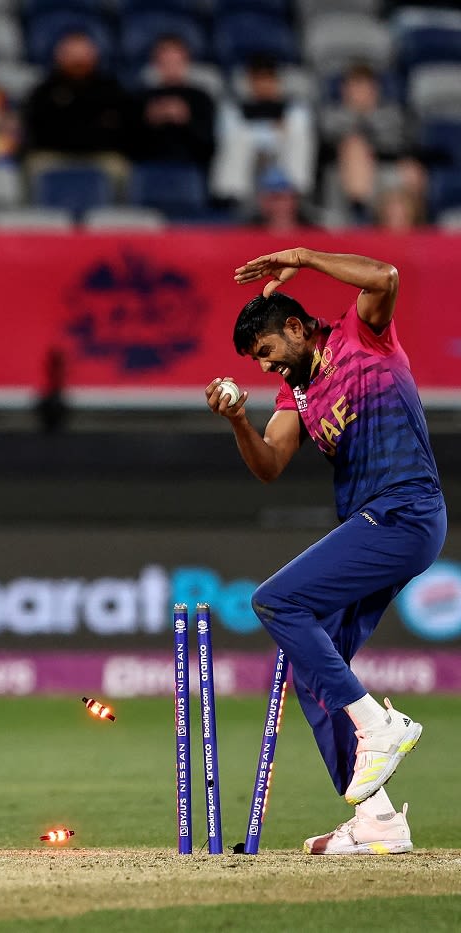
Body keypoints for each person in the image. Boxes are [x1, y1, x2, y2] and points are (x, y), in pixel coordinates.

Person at [206, 248, 446, 855]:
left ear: (294, 327)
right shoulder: (297, 393)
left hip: (405, 509)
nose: (264, 367)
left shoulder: (361, 333)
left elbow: (388, 275)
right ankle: (378, 823)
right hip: (373, 524)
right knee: (314, 674)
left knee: (276, 601)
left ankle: (377, 724)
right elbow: (269, 466)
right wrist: (238, 420)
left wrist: (303, 257)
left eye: (265, 351)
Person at [23, 30, 130, 187]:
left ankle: (118, 212)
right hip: (55, 155)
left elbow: (120, 128)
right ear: (59, 56)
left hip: (99, 155)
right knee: (33, 165)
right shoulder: (44, 90)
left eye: (82, 54)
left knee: (120, 168)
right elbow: (39, 128)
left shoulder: (110, 89)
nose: (78, 60)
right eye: (72, 54)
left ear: (94, 55)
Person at [213, 55, 315, 204]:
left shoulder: (294, 106)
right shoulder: (233, 106)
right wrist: (272, 129)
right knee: (238, 138)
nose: (264, 85)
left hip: (281, 155)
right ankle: (232, 198)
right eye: (258, 80)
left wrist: (256, 130)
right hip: (247, 155)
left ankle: (296, 193)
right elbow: (227, 133)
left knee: (300, 136)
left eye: (268, 79)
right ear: (249, 82)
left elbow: (299, 126)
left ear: (277, 82)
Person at [320, 64, 406, 223]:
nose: (359, 94)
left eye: (364, 88)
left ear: (375, 90)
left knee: (411, 171)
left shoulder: (391, 114)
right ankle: (360, 216)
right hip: (342, 169)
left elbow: (395, 144)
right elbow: (329, 138)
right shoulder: (332, 114)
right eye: (355, 88)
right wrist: (358, 117)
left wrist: (364, 118)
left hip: (383, 166)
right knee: (355, 147)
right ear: (344, 91)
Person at [132, 35, 216, 176]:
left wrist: (186, 119)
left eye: (175, 61)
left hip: (192, 164)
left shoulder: (200, 97)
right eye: (165, 62)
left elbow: (209, 144)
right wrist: (150, 121)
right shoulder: (142, 98)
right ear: (156, 64)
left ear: (186, 62)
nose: (171, 66)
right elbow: (131, 145)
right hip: (149, 164)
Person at [253, 165, 312, 234]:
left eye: (280, 198)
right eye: (271, 199)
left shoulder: (316, 236)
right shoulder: (248, 234)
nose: (279, 205)